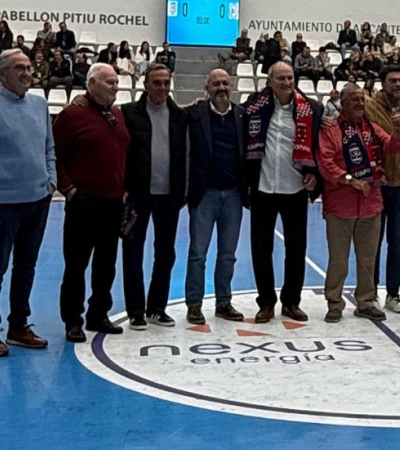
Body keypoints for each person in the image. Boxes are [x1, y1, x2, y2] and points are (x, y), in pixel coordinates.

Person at [0, 49, 56, 357]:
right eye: (20, 68)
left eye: (29, 67)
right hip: (2, 206)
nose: (27, 72)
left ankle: (19, 326)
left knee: (26, 266)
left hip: (38, 201)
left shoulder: (40, 104)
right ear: (2, 74)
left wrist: (50, 181)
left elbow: (48, 148)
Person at [54, 63, 130, 343]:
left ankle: (98, 313)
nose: (115, 86)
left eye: (116, 82)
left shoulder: (118, 115)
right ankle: (72, 320)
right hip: (84, 203)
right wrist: (70, 189)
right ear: (92, 84)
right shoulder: (71, 115)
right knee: (76, 264)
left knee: (106, 264)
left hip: (114, 203)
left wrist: (124, 189)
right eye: (109, 82)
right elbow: (55, 154)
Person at [244, 61, 323, 323]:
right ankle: (265, 302)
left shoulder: (312, 109)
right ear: (270, 81)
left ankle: (291, 301)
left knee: (296, 248)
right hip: (263, 189)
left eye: (289, 77)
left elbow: (319, 149)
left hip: (295, 190)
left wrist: (315, 175)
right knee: (261, 248)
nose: (286, 82)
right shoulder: (253, 107)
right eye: (280, 78)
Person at [318, 84, 400, 322]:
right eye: (354, 100)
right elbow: (325, 163)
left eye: (362, 100)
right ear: (343, 104)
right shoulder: (331, 130)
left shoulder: (372, 129)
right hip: (340, 206)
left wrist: (397, 132)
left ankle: (365, 301)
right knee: (339, 259)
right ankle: (334, 302)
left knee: (368, 258)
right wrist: (349, 180)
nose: (359, 104)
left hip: (371, 204)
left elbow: (392, 146)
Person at [120, 64, 189, 329]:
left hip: (169, 197)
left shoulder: (180, 115)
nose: (162, 87)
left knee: (165, 253)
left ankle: (157, 308)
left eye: (165, 82)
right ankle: (136, 310)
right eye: (156, 82)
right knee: (133, 252)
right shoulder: (127, 113)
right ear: (145, 85)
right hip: (137, 196)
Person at [184, 69, 248, 324]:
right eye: (215, 83)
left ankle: (224, 302)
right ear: (206, 87)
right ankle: (194, 304)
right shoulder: (193, 114)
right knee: (198, 253)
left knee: (228, 254)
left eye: (225, 83)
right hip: (205, 195)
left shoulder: (242, 116)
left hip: (233, 195)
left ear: (231, 86)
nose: (221, 87)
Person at [363, 66, 400, 313]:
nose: (397, 84)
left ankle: (393, 294)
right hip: (377, 184)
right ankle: (370, 293)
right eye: (392, 80)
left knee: (397, 241)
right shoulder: (369, 107)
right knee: (373, 241)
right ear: (383, 83)